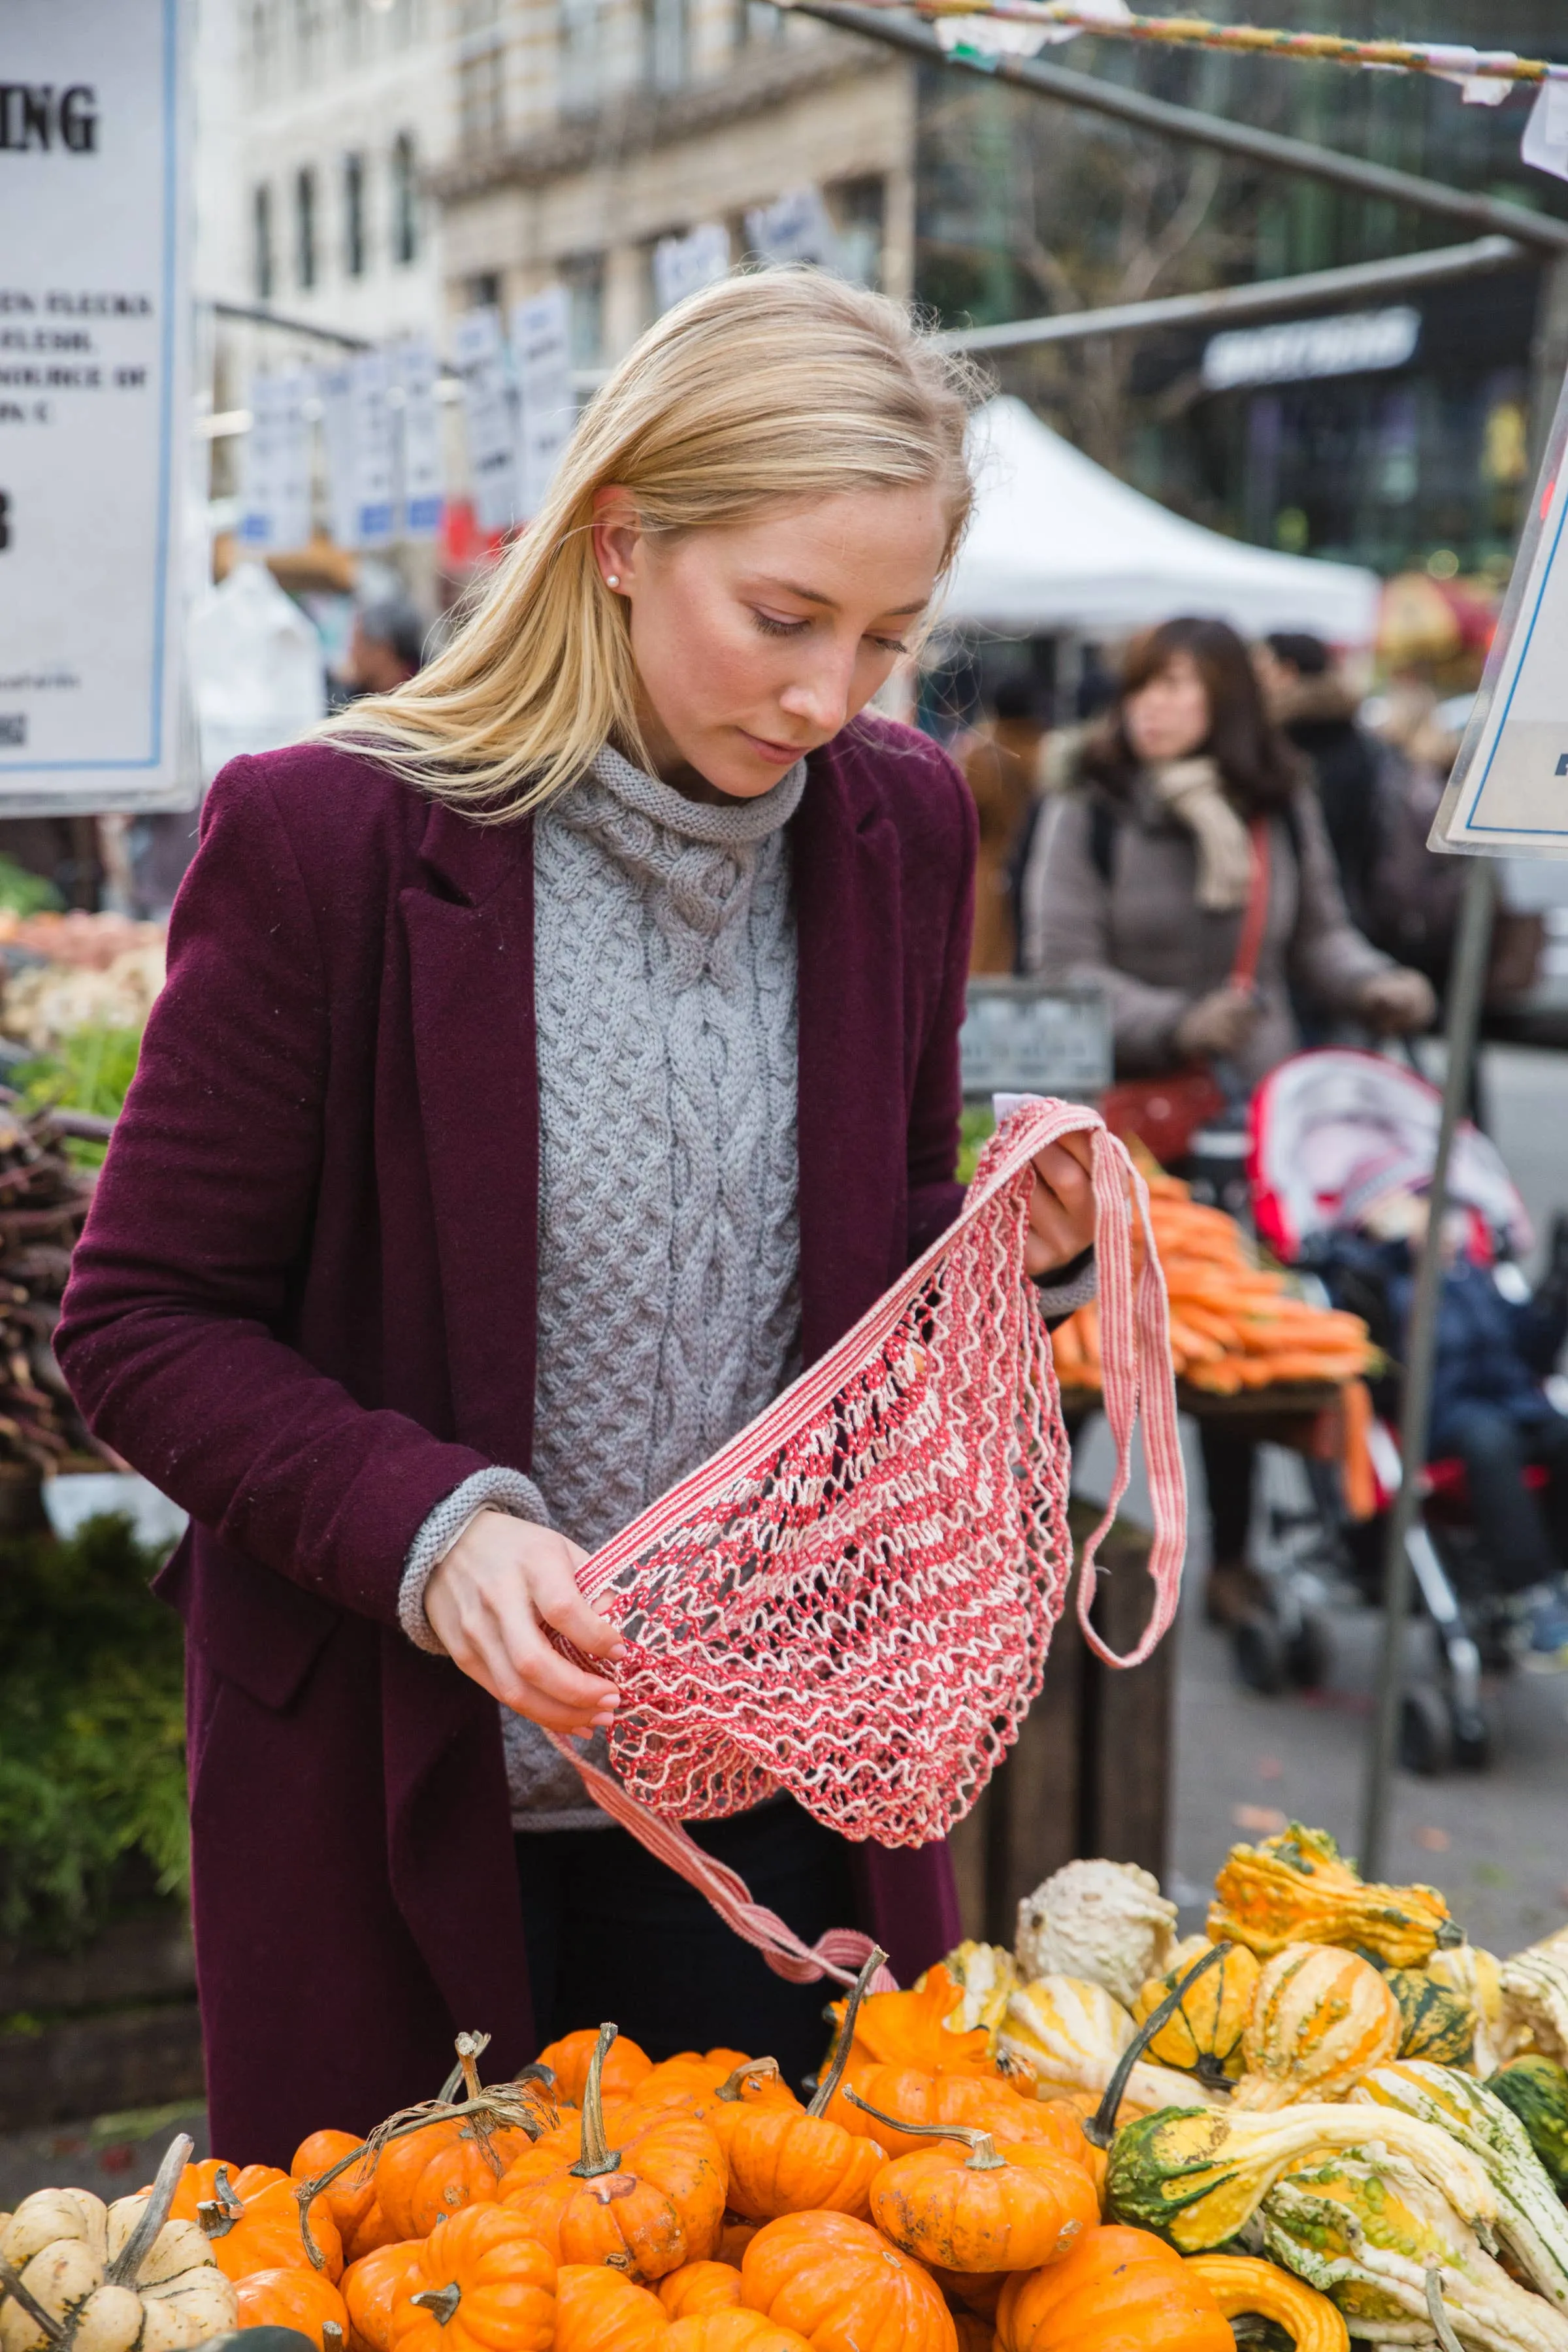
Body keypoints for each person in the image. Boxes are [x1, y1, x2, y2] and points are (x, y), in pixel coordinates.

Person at [54, 270, 1102, 2164]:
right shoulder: (328, 840)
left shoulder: (902, 827)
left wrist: (1018, 1264)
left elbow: (882, 1273)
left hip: (775, 1792)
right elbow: (141, 1322)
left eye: (887, 638)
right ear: (618, 539)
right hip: (396, 1780)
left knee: (787, 2275)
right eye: (782, 618)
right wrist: (430, 1534)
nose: (826, 695)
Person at [1019, 615, 1435, 1626]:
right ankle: (1035, 1561)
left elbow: (1321, 939)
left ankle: (1231, 1564)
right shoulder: (1093, 805)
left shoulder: (1275, 807)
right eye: (1140, 686)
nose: (1151, 707)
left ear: (1228, 703)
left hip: (1250, 1114)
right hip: (1112, 1124)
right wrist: (1176, 1019)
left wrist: (1382, 985)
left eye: (1177, 687)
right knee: (1076, 1350)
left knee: (1236, 1350)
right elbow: (1058, 966)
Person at [1254, 632, 1382, 934]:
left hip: (1303, 911)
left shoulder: (1288, 740)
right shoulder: (1354, 735)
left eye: (1261, 670)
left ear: (1288, 671)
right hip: (1352, 901)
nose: (1253, 682)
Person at [956, 674, 1047, 973]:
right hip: (1041, 866)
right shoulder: (1047, 751)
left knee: (985, 963)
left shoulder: (981, 754)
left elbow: (963, 813)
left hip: (989, 870)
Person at [332, 593, 429, 702]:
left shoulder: (431, 698)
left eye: (357, 644)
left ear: (383, 651)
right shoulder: (348, 701)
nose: (351, 652)